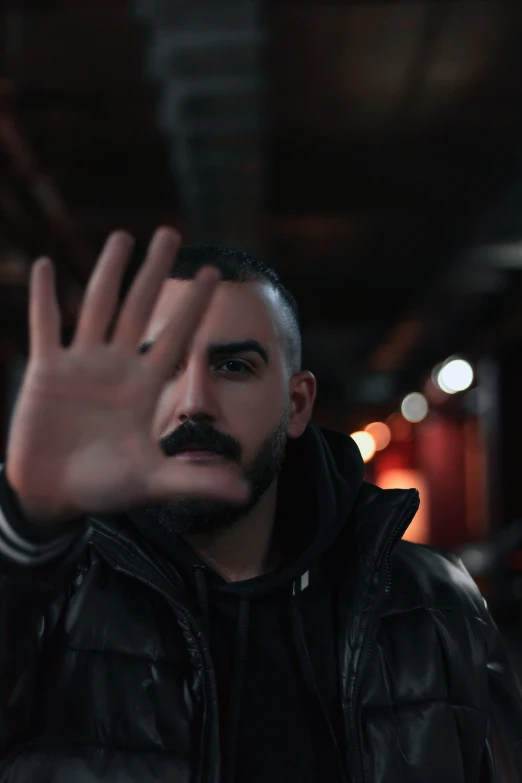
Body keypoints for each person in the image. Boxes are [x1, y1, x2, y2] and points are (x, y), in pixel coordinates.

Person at [0, 227, 521, 783]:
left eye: (233, 367)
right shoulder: (47, 594)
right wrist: (21, 535)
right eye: (160, 368)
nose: (194, 403)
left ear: (296, 405)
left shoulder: (436, 603)